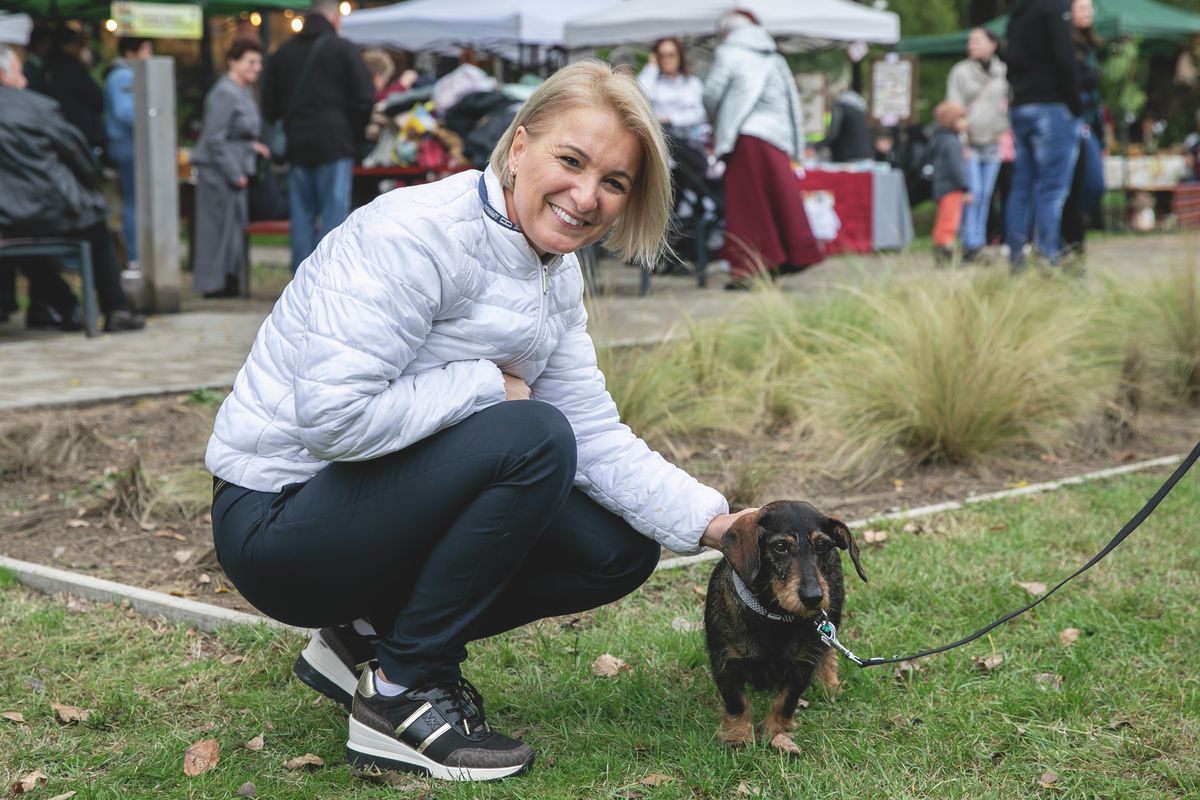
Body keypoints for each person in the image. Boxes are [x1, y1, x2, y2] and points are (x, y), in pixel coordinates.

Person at [206, 59, 750, 782]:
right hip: (277, 523)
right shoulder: (415, 234)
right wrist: (485, 385)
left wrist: (722, 525)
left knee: (617, 549)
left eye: (614, 182)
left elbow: (591, 432)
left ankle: (359, 642)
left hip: (359, 509)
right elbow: (332, 421)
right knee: (532, 438)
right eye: (571, 160)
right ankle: (400, 695)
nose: (586, 196)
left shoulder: (551, 273)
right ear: (519, 146)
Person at [0, 44, 144, 333]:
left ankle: (65, 306)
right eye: (19, 72)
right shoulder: (37, 106)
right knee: (97, 232)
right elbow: (78, 153)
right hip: (55, 209)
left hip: (6, 218)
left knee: (24, 249)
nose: (25, 80)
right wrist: (89, 181)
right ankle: (115, 310)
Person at [703, 10, 822, 289]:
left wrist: (718, 123)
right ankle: (788, 256)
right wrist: (795, 144)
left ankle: (749, 268)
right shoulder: (774, 57)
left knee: (747, 207)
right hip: (777, 138)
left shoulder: (728, 52)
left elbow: (710, 94)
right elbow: (792, 103)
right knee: (779, 200)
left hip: (745, 137)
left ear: (726, 32)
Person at [260, 0, 375, 274]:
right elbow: (365, 98)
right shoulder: (344, 50)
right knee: (334, 215)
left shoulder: (283, 53)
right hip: (335, 142)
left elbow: (268, 106)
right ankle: (328, 276)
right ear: (336, 18)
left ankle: (300, 280)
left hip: (297, 144)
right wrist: (355, 134)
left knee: (301, 216)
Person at [1004, 0, 1082, 271]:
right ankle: (1047, 258)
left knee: (1021, 188)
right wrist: (1075, 104)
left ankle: (1016, 258)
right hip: (1051, 106)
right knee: (1052, 190)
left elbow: (1009, 60)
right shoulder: (1054, 7)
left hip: (1022, 105)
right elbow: (1064, 57)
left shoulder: (1018, 14)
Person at [191, 40, 270, 298]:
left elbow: (238, 132)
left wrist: (252, 147)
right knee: (215, 230)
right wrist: (233, 173)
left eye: (259, 62)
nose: (256, 68)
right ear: (232, 62)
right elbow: (214, 137)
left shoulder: (243, 91)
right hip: (219, 173)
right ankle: (213, 284)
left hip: (236, 169)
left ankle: (228, 279)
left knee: (232, 229)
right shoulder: (224, 93)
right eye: (251, 62)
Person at [946, 28, 1009, 261]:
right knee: (973, 192)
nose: (972, 44)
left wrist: (1003, 127)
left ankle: (978, 241)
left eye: (977, 40)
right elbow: (953, 107)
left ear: (993, 44)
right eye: (970, 40)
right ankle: (970, 243)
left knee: (986, 194)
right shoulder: (960, 72)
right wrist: (960, 141)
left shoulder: (1002, 72)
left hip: (993, 141)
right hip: (969, 142)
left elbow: (1009, 102)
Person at [1060, 0, 1106, 259]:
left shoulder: (1088, 45)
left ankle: (1072, 238)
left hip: (1089, 124)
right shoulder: (1066, 42)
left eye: (1090, 9)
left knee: (1092, 185)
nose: (1088, 12)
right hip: (1073, 122)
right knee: (1081, 185)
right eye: (1082, 8)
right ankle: (1068, 242)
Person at [104, 37, 153, 269]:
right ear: (131, 53)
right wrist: (153, 122)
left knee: (135, 201)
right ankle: (134, 257)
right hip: (129, 148)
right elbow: (126, 112)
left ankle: (137, 254)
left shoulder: (122, 75)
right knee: (133, 201)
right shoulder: (123, 76)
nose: (149, 56)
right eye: (146, 50)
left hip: (130, 148)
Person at [45, 23, 105, 155]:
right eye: (79, 44)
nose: (82, 48)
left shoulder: (48, 66)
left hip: (58, 128)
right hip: (79, 131)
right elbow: (97, 98)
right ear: (67, 45)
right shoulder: (72, 67)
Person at [637, 37, 708, 145]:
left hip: (690, 144)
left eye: (671, 55)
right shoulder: (654, 83)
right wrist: (651, 68)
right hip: (663, 142)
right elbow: (638, 97)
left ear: (679, 56)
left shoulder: (693, 83)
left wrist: (672, 119)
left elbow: (700, 114)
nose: (666, 60)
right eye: (661, 56)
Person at [928, 101, 971, 265]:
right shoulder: (952, 142)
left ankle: (940, 253)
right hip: (952, 187)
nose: (965, 123)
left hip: (941, 186)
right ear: (952, 121)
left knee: (942, 221)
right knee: (950, 222)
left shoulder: (938, 139)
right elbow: (956, 168)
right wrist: (965, 187)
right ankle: (947, 257)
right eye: (962, 119)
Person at [819, 74, 873, 163]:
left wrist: (817, 146)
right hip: (865, 154)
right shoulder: (857, 107)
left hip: (848, 156)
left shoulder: (839, 107)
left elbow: (833, 133)